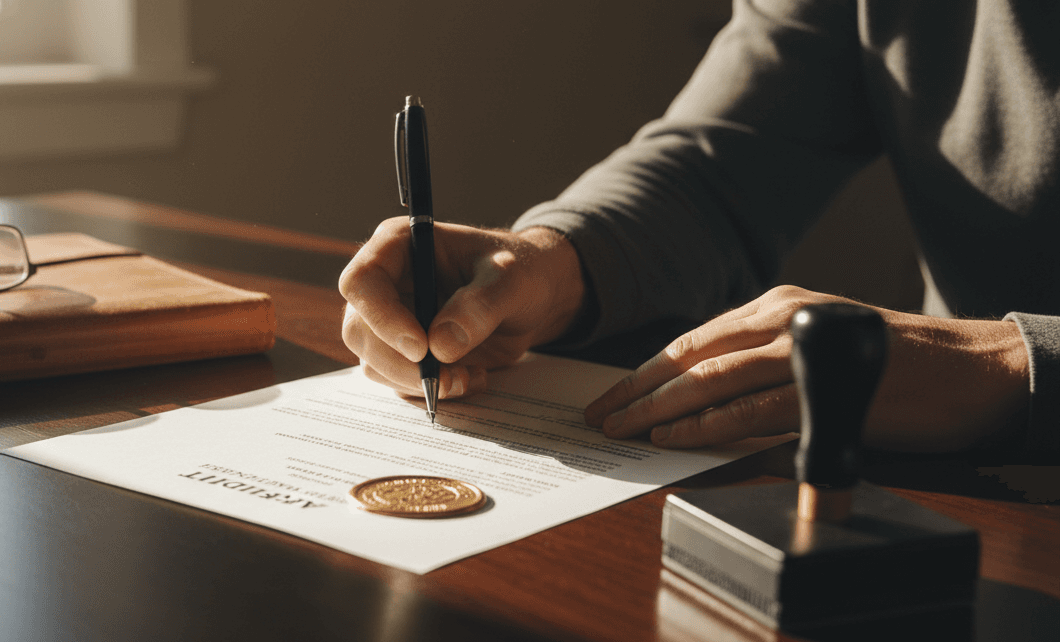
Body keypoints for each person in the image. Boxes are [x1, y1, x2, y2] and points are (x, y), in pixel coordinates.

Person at [340, 0, 1058, 456]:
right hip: (952, 474)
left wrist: (1016, 366)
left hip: (955, 425)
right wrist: (552, 264)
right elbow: (719, 159)